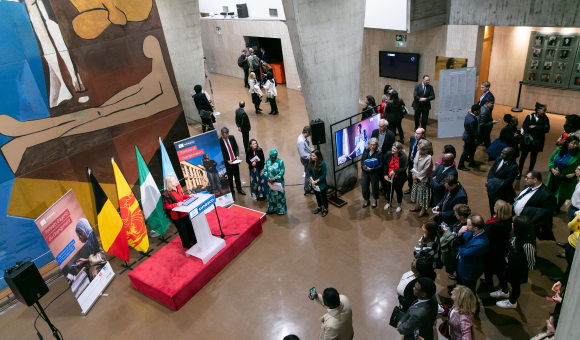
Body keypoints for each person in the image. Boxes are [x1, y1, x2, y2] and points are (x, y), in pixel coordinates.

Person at [492, 216, 536, 309]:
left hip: (518, 269)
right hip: (509, 264)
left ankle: (512, 302)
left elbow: (531, 261)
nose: (512, 224)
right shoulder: (517, 235)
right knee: (502, 275)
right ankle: (504, 291)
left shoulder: (528, 244)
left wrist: (525, 269)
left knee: (515, 286)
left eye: (514, 224)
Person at [451, 214, 489, 297]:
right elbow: (461, 240)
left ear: (475, 228)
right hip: (462, 265)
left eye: (468, 225)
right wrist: (460, 233)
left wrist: (461, 246)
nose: (466, 226)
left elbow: (464, 254)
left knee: (469, 291)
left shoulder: (481, 243)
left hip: (470, 270)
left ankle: (471, 306)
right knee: (461, 284)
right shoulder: (471, 231)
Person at [481, 200, 512, 288]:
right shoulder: (508, 219)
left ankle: (488, 282)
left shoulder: (495, 225)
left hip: (492, 249)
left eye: (495, 207)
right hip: (502, 246)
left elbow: (485, 233)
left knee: (488, 266)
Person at [162, 175, 197, 249]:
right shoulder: (166, 194)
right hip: (177, 216)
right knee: (183, 231)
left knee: (190, 228)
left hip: (185, 212)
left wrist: (188, 196)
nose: (176, 181)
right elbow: (168, 207)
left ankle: (194, 240)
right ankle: (187, 245)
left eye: (175, 179)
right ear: (169, 183)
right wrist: (176, 204)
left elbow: (181, 197)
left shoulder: (178, 187)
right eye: (173, 181)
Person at [547, 135, 580, 212]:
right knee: (552, 190)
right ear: (568, 143)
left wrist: (574, 174)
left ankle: (557, 208)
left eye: (577, 144)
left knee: (562, 194)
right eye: (573, 143)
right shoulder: (559, 149)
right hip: (555, 174)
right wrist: (552, 169)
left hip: (567, 176)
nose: (575, 145)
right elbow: (551, 159)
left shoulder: (578, 154)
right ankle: (553, 206)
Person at [518, 102, 550, 178]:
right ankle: (519, 172)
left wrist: (534, 127)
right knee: (523, 157)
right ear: (538, 110)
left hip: (537, 143)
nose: (545, 112)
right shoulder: (529, 117)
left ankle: (530, 172)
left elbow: (547, 129)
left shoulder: (545, 118)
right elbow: (526, 128)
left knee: (533, 158)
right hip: (527, 141)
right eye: (544, 110)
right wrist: (539, 128)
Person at [440, 204, 471, 280]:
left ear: (462, 216)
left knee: (457, 266)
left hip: (457, 250)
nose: (455, 215)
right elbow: (456, 227)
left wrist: (447, 232)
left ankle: (459, 279)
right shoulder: (461, 222)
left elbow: (456, 241)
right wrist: (449, 226)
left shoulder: (465, 228)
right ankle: (458, 276)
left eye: (456, 214)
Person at [486, 147, 518, 215]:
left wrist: (491, 183)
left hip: (500, 192)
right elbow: (491, 171)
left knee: (498, 211)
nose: (501, 154)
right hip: (491, 189)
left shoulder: (513, 166)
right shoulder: (499, 159)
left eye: (504, 153)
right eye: (502, 152)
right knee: (492, 208)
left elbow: (507, 183)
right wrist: (489, 181)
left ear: (510, 156)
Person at [550, 208, 579, 283]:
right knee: (569, 266)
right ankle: (563, 280)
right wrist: (577, 220)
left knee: (573, 269)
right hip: (571, 243)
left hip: (577, 250)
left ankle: (564, 283)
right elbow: (570, 226)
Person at [219, 127, 246, 200]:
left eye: (227, 135)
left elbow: (236, 147)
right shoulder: (220, 142)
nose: (227, 137)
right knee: (230, 179)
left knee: (237, 176)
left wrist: (237, 155)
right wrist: (227, 161)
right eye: (225, 136)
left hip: (235, 161)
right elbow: (220, 155)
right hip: (228, 164)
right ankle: (233, 192)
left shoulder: (231, 137)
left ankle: (239, 189)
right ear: (222, 134)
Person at [410, 139, 433, 218]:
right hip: (415, 177)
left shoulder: (428, 157)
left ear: (423, 148)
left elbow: (425, 171)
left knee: (423, 196)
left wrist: (416, 176)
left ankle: (423, 210)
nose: (417, 146)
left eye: (419, 145)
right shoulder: (417, 152)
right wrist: (414, 174)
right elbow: (414, 164)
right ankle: (418, 207)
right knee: (417, 194)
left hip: (423, 180)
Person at [383, 142, 408, 212]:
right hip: (388, 177)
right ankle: (389, 202)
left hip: (399, 177)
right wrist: (385, 175)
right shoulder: (388, 154)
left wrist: (395, 171)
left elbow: (404, 168)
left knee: (398, 191)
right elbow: (385, 165)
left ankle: (399, 204)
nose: (392, 150)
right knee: (389, 190)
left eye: (394, 149)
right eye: (392, 148)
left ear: (399, 150)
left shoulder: (403, 157)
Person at [361, 138, 383, 209]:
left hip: (374, 173)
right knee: (364, 187)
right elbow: (362, 160)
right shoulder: (366, 150)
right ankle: (366, 200)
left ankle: (375, 200)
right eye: (371, 145)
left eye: (374, 145)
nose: (372, 146)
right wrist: (363, 166)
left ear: (376, 145)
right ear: (369, 144)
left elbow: (381, 165)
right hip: (365, 172)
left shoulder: (379, 152)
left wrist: (372, 169)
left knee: (375, 187)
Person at [458, 105, 481, 171]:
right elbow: (474, 132)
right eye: (479, 110)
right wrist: (480, 140)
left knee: (473, 150)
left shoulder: (468, 115)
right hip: (469, 138)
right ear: (475, 111)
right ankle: (460, 165)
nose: (480, 112)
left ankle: (471, 162)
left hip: (467, 136)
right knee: (466, 152)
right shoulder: (473, 120)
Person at [264, 149, 287, 215]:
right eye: (271, 157)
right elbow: (265, 170)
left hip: (278, 182)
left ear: (276, 156)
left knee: (280, 196)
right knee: (271, 195)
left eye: (273, 157)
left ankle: (281, 210)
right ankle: (272, 209)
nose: (272, 159)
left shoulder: (280, 162)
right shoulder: (267, 161)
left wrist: (274, 178)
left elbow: (282, 172)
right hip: (270, 182)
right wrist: (268, 178)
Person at [405, 128, 427, 194]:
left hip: (419, 165)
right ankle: (410, 188)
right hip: (411, 162)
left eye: (418, 134)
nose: (416, 135)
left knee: (417, 178)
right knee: (410, 176)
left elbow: (430, 154)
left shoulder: (426, 143)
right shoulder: (412, 138)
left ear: (423, 135)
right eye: (415, 133)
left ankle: (417, 192)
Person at [308, 150, 329, 217]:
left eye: (313, 156)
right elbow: (308, 172)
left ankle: (325, 209)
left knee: (323, 197)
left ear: (318, 156)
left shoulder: (322, 164)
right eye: (311, 155)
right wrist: (312, 181)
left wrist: (315, 181)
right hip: (314, 184)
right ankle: (319, 207)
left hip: (321, 184)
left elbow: (323, 175)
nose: (312, 157)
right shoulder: (311, 162)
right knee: (317, 196)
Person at [297, 126, 315, 194]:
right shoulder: (301, 141)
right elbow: (303, 154)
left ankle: (307, 186)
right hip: (305, 159)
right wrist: (312, 156)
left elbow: (307, 148)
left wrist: (314, 151)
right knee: (308, 174)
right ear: (307, 132)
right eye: (309, 133)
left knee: (308, 173)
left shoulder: (302, 137)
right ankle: (307, 188)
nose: (310, 135)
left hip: (307, 158)